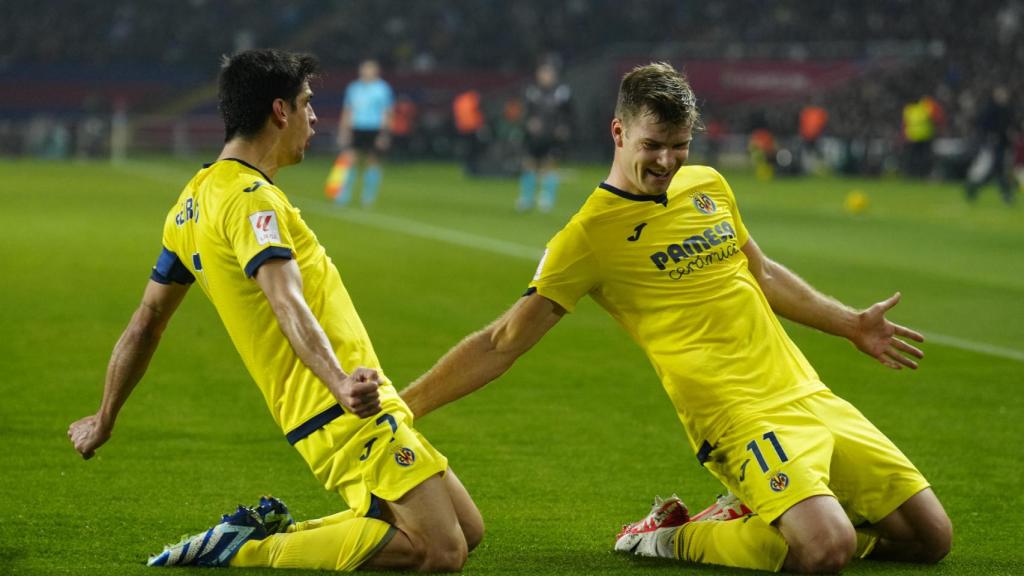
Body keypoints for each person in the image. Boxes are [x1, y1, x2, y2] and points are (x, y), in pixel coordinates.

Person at [400, 62, 951, 574]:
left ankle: (765, 517)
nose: (667, 161)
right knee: (828, 547)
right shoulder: (587, 237)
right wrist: (405, 408)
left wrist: (851, 324)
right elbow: (502, 341)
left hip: (804, 390)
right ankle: (669, 537)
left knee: (930, 539)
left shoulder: (707, 185)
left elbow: (762, 273)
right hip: (734, 415)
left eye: (679, 145)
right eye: (653, 145)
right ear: (618, 133)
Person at [67, 49, 482, 572]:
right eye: (307, 103)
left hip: (340, 401)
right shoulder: (250, 199)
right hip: (338, 403)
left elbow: (146, 321)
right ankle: (248, 550)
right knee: (441, 551)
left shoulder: (190, 204)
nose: (315, 118)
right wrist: (338, 382)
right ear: (280, 111)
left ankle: (257, 533)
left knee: (467, 529)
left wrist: (105, 417)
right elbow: (285, 299)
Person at [516, 61, 572, 213]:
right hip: (534, 136)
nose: (545, 77)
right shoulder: (532, 91)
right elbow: (525, 111)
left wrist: (563, 127)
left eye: (548, 73)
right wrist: (528, 122)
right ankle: (526, 198)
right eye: (542, 73)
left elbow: (569, 113)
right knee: (529, 164)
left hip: (552, 135)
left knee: (550, 164)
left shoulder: (561, 92)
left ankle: (547, 198)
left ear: (554, 76)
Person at [336, 59, 394, 207]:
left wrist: (384, 133)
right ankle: (344, 194)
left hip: (374, 128)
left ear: (376, 71)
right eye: (364, 69)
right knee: (349, 159)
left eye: (370, 69)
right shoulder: (353, 88)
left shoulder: (382, 89)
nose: (366, 72)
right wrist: (343, 131)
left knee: (372, 161)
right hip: (356, 127)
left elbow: (387, 112)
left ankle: (368, 196)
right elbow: (347, 110)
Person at [965, 85, 1015, 205]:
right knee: (995, 169)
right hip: (992, 143)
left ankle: (973, 188)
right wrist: (989, 136)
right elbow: (981, 124)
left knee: (996, 170)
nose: (1003, 97)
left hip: (1002, 144)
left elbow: (1009, 126)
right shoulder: (990, 109)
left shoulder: (1006, 110)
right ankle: (1005, 194)